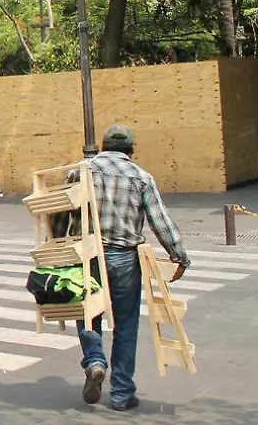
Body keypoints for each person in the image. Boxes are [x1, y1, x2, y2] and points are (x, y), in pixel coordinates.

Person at [76, 124, 190, 412]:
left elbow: (60, 214)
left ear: (101, 146)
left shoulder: (80, 172)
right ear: (131, 151)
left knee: (88, 315)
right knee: (126, 325)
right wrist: (179, 257)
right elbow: (159, 221)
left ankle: (94, 361)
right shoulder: (141, 177)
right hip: (125, 258)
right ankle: (122, 394)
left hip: (88, 255)